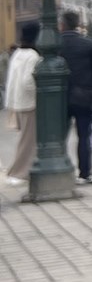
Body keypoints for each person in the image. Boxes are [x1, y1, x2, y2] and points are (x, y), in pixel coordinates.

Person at [58, 11, 92, 185]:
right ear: (77, 25)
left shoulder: (56, 46)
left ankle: (60, 170)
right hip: (86, 98)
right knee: (85, 137)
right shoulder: (89, 44)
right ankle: (85, 173)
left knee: (59, 137)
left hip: (61, 99)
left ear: (62, 25)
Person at [5, 21, 40, 184]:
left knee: (24, 139)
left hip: (17, 102)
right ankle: (18, 173)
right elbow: (28, 82)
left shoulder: (18, 52)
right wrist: (38, 92)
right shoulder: (33, 56)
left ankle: (18, 171)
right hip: (29, 103)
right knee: (28, 141)